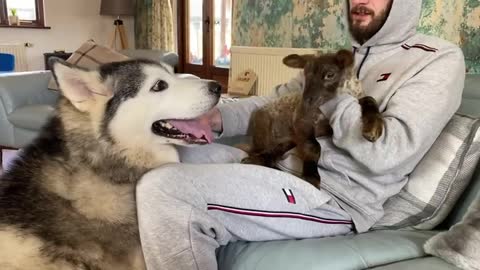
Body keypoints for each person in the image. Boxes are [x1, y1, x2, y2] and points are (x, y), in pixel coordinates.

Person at [136, 0, 466, 269]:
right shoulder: (337, 57)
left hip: (332, 196)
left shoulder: (437, 60)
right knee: (157, 158)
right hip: (273, 164)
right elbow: (274, 102)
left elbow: (389, 152)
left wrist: (330, 94)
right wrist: (216, 117)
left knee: (166, 189)